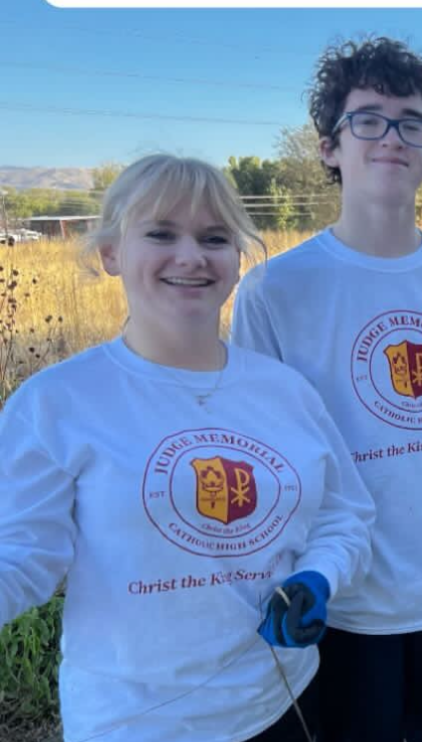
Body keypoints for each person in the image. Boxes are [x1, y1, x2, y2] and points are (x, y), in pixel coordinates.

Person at [0, 154, 375, 742]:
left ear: (236, 259)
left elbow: (343, 515)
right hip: (134, 723)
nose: (191, 256)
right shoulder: (56, 403)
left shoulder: (286, 392)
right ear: (111, 253)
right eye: (161, 234)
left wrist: (318, 577)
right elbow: (21, 553)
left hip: (282, 703)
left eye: (214, 238)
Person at [230, 37, 422, 742]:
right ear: (330, 147)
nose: (391, 137)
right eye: (367, 119)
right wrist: (279, 577)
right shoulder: (275, 291)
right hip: (342, 604)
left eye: (411, 123)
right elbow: (261, 452)